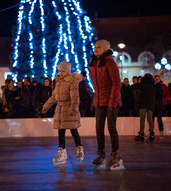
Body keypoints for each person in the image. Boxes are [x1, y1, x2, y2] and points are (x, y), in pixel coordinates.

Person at [88, 39, 124, 170]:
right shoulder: (93, 63)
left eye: (99, 47)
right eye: (95, 47)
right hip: (99, 100)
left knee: (111, 127)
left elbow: (116, 83)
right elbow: (96, 86)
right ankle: (101, 154)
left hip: (111, 100)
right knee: (98, 128)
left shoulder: (110, 63)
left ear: (104, 49)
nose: (95, 49)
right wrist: (95, 100)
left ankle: (116, 155)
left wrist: (112, 102)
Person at [41, 61, 84, 164]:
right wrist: (45, 107)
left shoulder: (71, 81)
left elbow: (75, 97)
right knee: (61, 132)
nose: (60, 73)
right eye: (59, 71)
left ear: (67, 71)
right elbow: (54, 97)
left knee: (74, 131)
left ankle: (79, 150)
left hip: (69, 109)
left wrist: (73, 108)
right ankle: (62, 153)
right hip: (60, 110)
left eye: (63, 71)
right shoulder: (57, 81)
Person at [135, 73, 156, 142]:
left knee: (142, 119)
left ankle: (141, 132)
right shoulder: (153, 86)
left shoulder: (142, 85)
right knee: (150, 119)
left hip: (142, 104)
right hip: (150, 104)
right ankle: (151, 132)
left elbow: (135, 89)